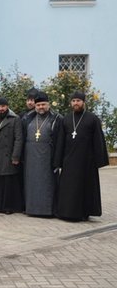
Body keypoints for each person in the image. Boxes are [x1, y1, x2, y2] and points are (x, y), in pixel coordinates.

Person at [53, 91, 109, 221]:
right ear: (70, 103)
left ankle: (84, 213)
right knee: (68, 188)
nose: (76, 103)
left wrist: (99, 160)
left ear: (83, 102)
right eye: (73, 101)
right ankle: (66, 213)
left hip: (86, 161)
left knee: (84, 188)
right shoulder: (66, 119)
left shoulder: (92, 119)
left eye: (78, 101)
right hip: (69, 161)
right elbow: (60, 141)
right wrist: (58, 161)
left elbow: (98, 140)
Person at [22, 91, 63, 217]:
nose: (41, 107)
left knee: (47, 184)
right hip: (31, 157)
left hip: (47, 157)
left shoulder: (57, 118)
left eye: (43, 104)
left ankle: (48, 211)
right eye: (38, 105)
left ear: (48, 105)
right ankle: (31, 209)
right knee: (31, 183)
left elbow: (60, 141)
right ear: (35, 106)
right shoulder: (27, 118)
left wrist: (57, 160)